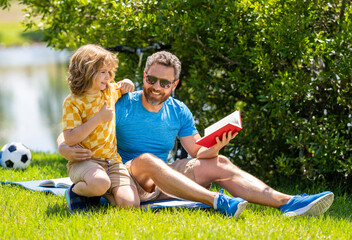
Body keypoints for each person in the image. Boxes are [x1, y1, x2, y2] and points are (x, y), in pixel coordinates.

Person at [58, 50, 334, 217]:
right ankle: (216, 202)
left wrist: (216, 146)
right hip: (125, 174)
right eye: (150, 79)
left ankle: (288, 203)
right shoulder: (120, 99)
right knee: (147, 160)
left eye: (164, 82)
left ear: (174, 83)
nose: (155, 86)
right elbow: (73, 127)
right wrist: (64, 147)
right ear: (144, 76)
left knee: (220, 163)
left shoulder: (179, 111)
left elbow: (196, 154)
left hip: (161, 180)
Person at [61, 44, 139, 211]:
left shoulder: (109, 90)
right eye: (103, 72)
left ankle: (100, 192)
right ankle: (74, 192)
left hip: (112, 161)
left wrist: (128, 83)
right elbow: (70, 138)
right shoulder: (73, 101)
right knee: (100, 182)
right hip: (84, 162)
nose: (108, 76)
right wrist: (98, 119)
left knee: (131, 205)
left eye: (109, 71)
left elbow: (123, 87)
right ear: (87, 72)